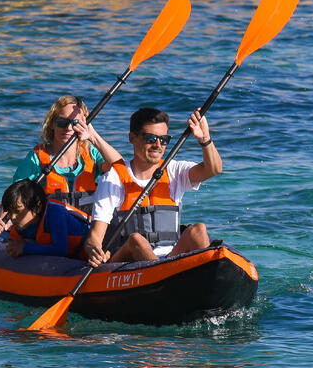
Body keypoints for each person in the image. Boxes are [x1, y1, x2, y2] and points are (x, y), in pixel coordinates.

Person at [83, 107, 222, 265]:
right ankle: (163, 275)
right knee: (137, 240)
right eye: (150, 138)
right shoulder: (113, 179)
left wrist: (205, 139)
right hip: (129, 261)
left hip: (170, 257)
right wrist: (94, 250)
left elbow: (214, 169)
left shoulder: (173, 171)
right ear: (132, 138)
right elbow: (95, 238)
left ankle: (207, 274)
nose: (158, 145)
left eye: (163, 140)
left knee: (199, 230)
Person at [12, 95, 124, 212]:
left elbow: (121, 168)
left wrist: (93, 137)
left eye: (75, 123)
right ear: (52, 124)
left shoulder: (92, 154)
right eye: (62, 122)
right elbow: (16, 195)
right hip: (53, 226)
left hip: (87, 226)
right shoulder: (36, 158)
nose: (69, 128)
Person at [0, 179, 90, 259]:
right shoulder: (22, 224)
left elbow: (61, 250)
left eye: (17, 211)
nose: (12, 217)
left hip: (89, 251)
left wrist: (24, 248)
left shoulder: (55, 214)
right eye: (10, 211)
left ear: (38, 207)